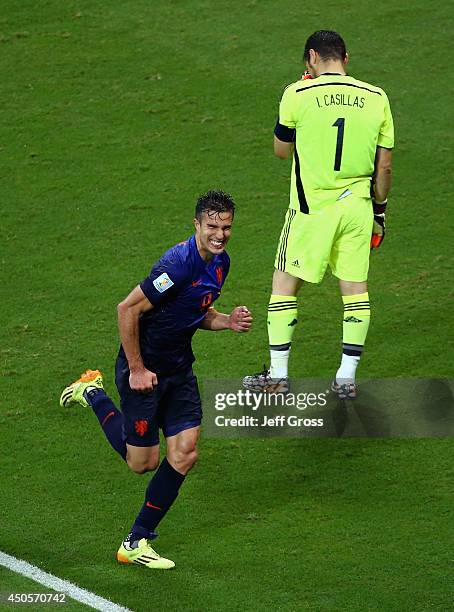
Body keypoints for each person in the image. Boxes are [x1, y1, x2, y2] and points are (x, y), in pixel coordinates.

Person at [60, 190, 252, 569]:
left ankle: (137, 540)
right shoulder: (176, 265)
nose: (220, 234)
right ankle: (93, 392)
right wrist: (135, 369)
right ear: (196, 224)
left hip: (179, 371)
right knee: (141, 463)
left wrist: (225, 321)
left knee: (185, 453)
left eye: (226, 226)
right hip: (143, 372)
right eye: (212, 226)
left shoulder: (220, 262)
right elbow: (127, 308)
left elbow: (198, 311)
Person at [243, 30, 394, 399]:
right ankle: (346, 377)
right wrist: (380, 212)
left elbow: (281, 150)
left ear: (312, 57)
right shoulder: (377, 97)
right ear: (346, 57)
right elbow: (385, 167)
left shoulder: (297, 92)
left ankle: (278, 376)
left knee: (284, 284)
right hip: (358, 208)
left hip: (310, 210)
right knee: (355, 289)